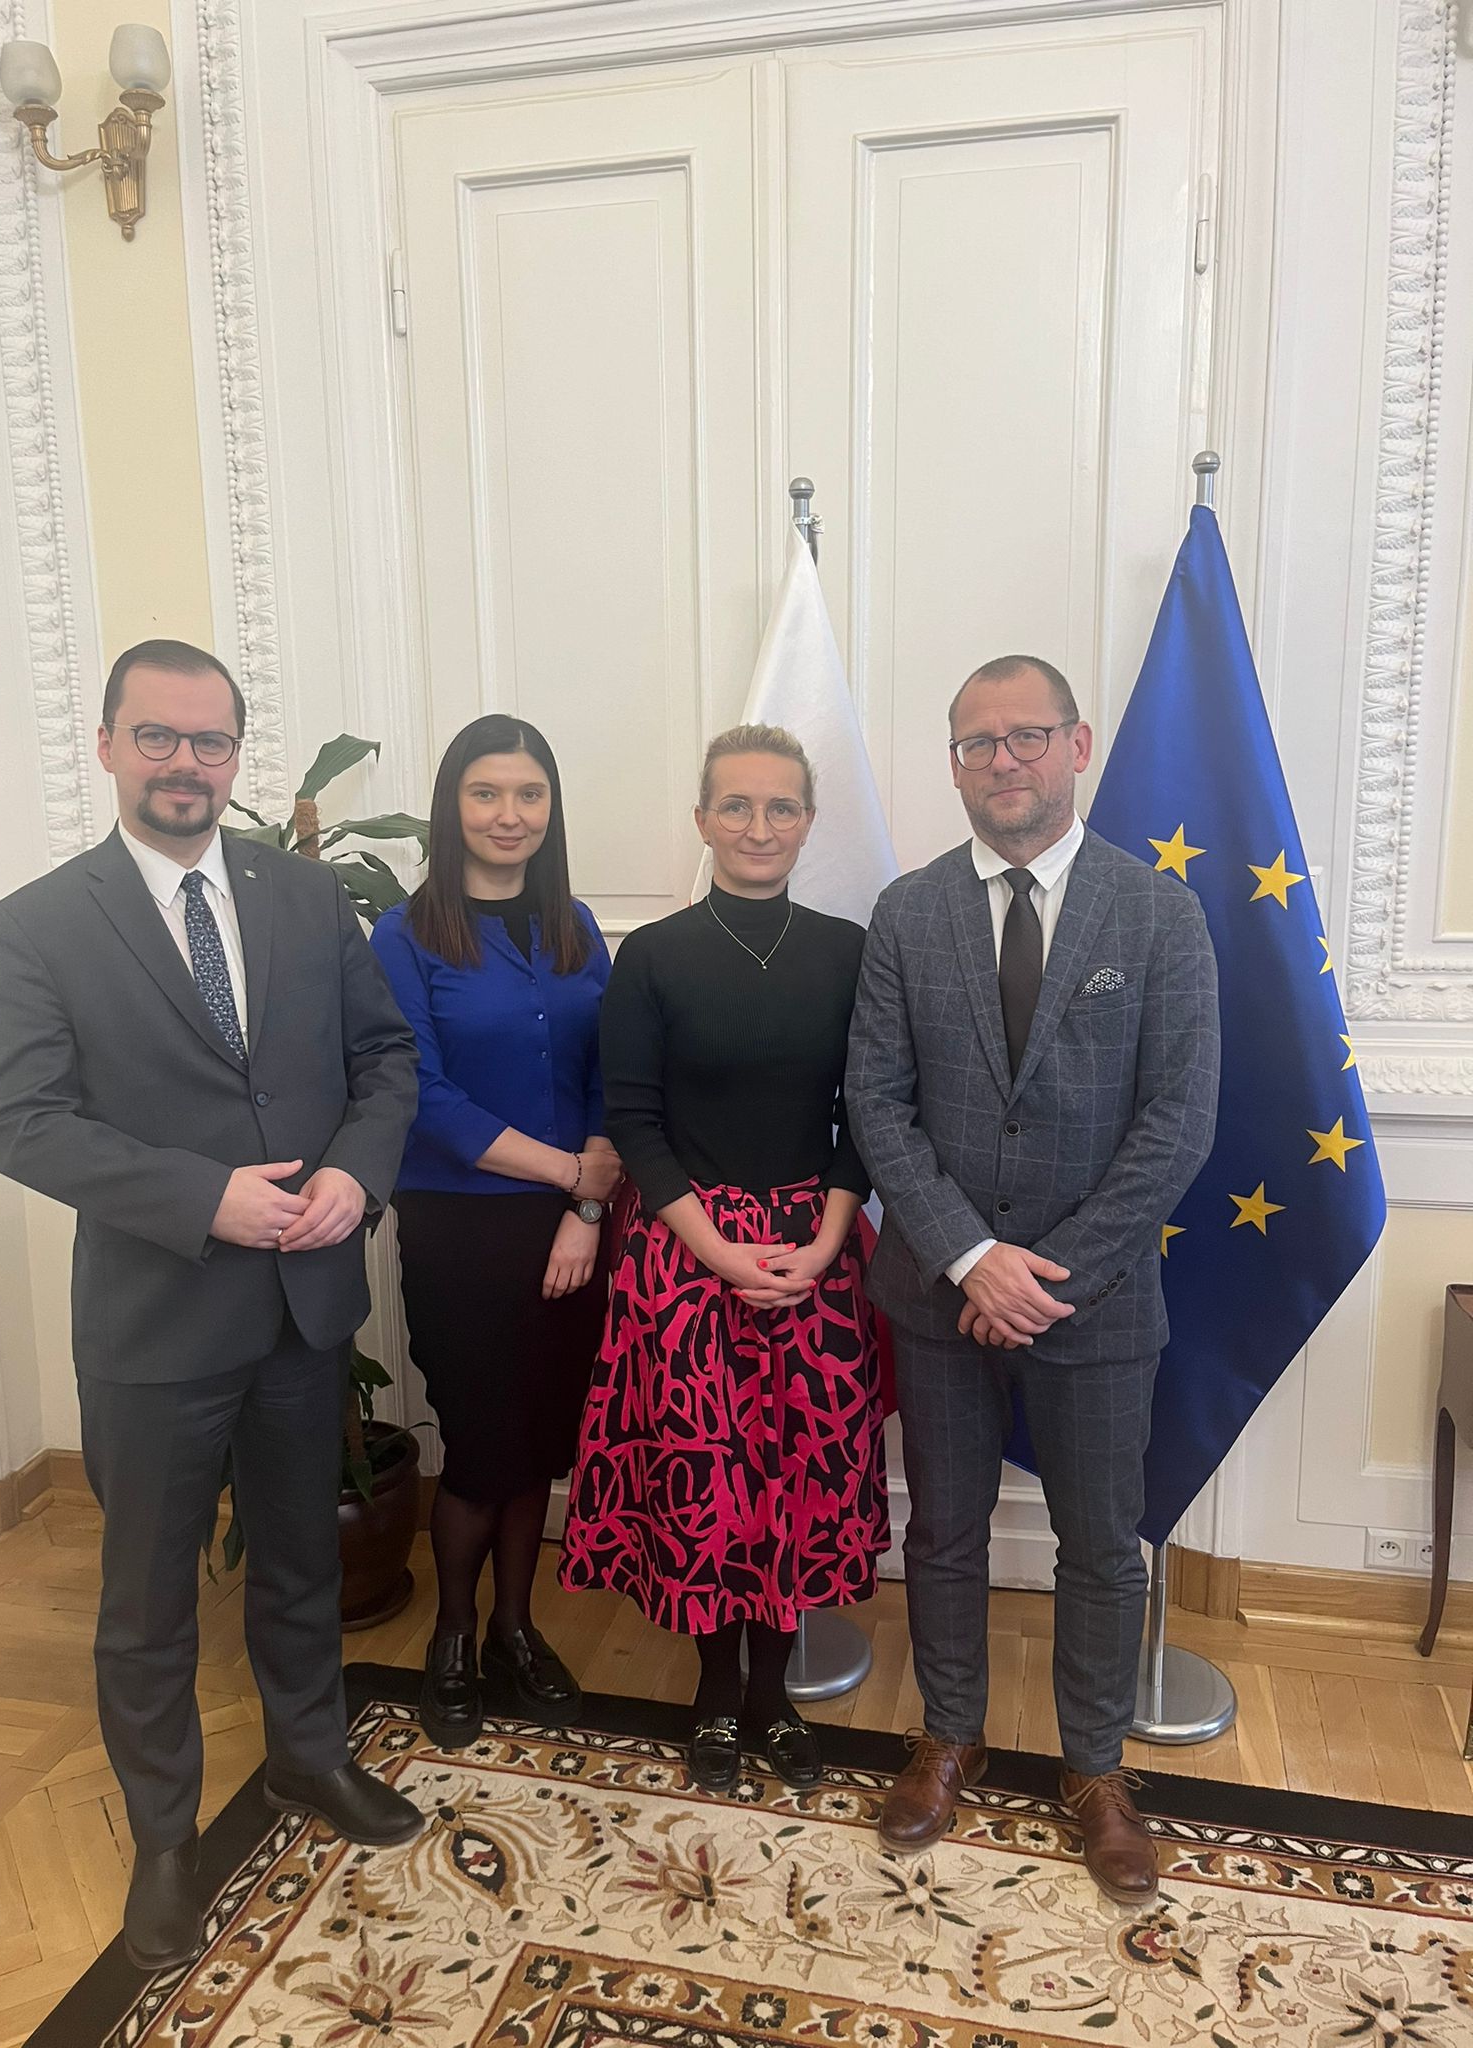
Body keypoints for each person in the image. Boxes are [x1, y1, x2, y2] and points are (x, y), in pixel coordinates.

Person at [0, 639, 423, 1973]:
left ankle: (307, 1757)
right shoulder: (39, 923)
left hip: (301, 1308)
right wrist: (199, 1196)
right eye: (158, 736)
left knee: (300, 1562)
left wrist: (353, 1173)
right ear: (107, 745)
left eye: (210, 740)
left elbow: (384, 1059)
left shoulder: (305, 897)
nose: (185, 763)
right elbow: (18, 1119)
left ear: (236, 754)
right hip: (155, 1325)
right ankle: (165, 1837)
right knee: (149, 1598)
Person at [845, 655, 1219, 1906]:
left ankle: (1096, 1769)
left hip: (1094, 1300)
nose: (1002, 760)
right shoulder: (907, 912)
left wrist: (1046, 1274)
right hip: (937, 1291)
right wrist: (970, 1256)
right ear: (954, 763)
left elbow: (1179, 1121)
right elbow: (877, 1104)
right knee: (943, 1528)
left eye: (1026, 736)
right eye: (976, 742)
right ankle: (949, 1735)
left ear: (1078, 744)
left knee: (1101, 1545)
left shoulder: (1158, 913)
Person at [560, 724, 889, 1795]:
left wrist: (824, 1241)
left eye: (780, 806)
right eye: (736, 805)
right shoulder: (653, 956)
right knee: (706, 1480)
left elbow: (870, 1113)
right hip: (684, 1252)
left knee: (791, 1481)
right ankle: (713, 1692)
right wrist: (717, 1251)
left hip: (812, 1253)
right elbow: (635, 1120)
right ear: (702, 819)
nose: (758, 826)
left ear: (808, 821)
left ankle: (771, 1696)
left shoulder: (850, 951)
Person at [370, 714, 620, 1750]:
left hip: (577, 1230)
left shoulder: (576, 924)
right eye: (486, 792)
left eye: (528, 793)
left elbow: (613, 1070)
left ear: (550, 807)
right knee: (480, 1446)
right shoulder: (404, 934)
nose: (508, 814)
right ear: (453, 805)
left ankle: (517, 1628)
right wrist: (569, 1172)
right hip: (460, 1229)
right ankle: (455, 1637)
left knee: (538, 1444)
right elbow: (422, 1094)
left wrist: (588, 1208)